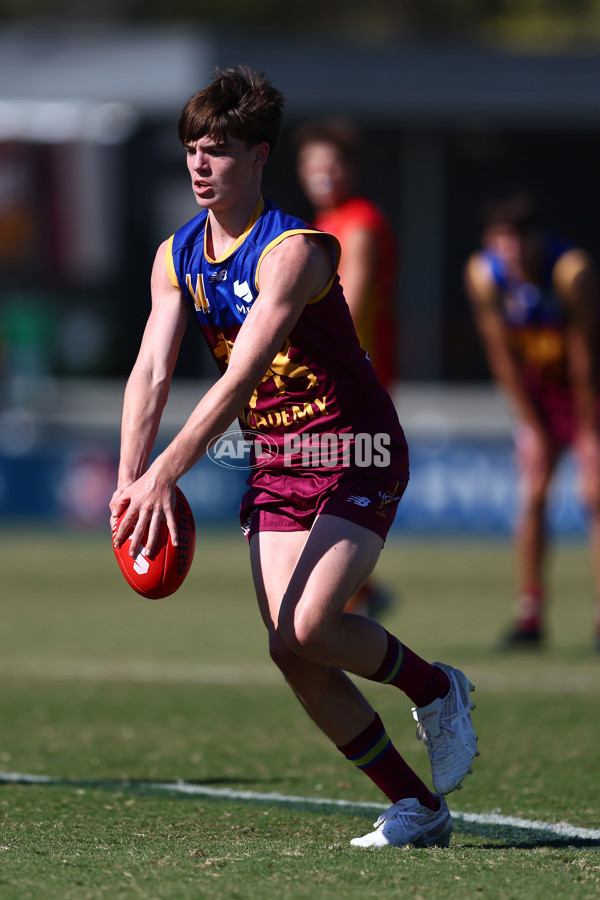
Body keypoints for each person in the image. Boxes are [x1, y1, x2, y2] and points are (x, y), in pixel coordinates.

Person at [110, 66, 478, 848]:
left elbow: (242, 374)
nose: (200, 164)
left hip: (355, 450)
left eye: (218, 149)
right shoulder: (176, 257)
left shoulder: (294, 252)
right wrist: (127, 482)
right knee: (290, 648)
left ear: (259, 156)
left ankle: (437, 688)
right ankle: (418, 808)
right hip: (278, 464)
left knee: (312, 624)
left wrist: (165, 474)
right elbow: (150, 371)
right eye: (192, 149)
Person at [464, 191, 600, 652]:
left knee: (594, 492)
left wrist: (588, 430)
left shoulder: (571, 272)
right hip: (539, 394)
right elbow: (501, 356)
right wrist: (533, 427)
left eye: (520, 240)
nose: (512, 252)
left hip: (588, 390)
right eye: (501, 241)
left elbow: (585, 354)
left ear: (537, 238)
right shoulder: (483, 274)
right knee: (534, 493)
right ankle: (530, 616)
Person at [295, 119, 398, 618]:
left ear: (350, 169)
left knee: (333, 494)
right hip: (330, 383)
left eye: (331, 164)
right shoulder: (322, 225)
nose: (322, 173)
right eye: (312, 163)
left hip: (351, 387)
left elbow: (349, 318)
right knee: (320, 495)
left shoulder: (359, 224)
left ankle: (349, 608)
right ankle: (363, 596)